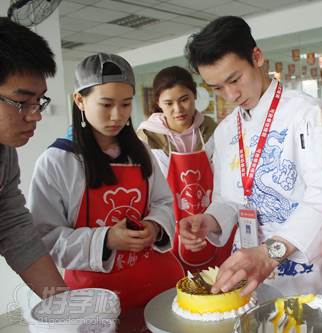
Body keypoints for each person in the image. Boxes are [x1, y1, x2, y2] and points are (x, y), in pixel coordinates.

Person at [180, 16, 322, 297]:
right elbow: (228, 200)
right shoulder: (225, 131)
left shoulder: (303, 113)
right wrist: (209, 221)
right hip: (244, 270)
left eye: (235, 79)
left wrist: (270, 253)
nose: (230, 95)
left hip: (298, 275)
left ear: (256, 57)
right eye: (217, 88)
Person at [28, 53, 184, 312]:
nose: (117, 116)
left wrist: (155, 226)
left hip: (159, 286)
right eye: (106, 104)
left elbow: (164, 202)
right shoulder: (57, 161)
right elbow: (46, 238)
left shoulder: (140, 152)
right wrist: (107, 239)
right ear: (80, 100)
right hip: (96, 300)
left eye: (125, 105)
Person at [137, 66, 236, 272]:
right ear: (158, 103)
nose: (178, 109)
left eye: (184, 99)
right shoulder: (147, 137)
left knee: (218, 276)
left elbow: (226, 177)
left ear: (195, 95)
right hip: (169, 218)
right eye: (168, 103)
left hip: (212, 212)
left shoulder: (212, 129)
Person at [0, 17, 66, 298]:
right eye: (22, 102)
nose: (36, 114)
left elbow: (10, 222)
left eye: (39, 101)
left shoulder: (5, 153)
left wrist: (64, 304)